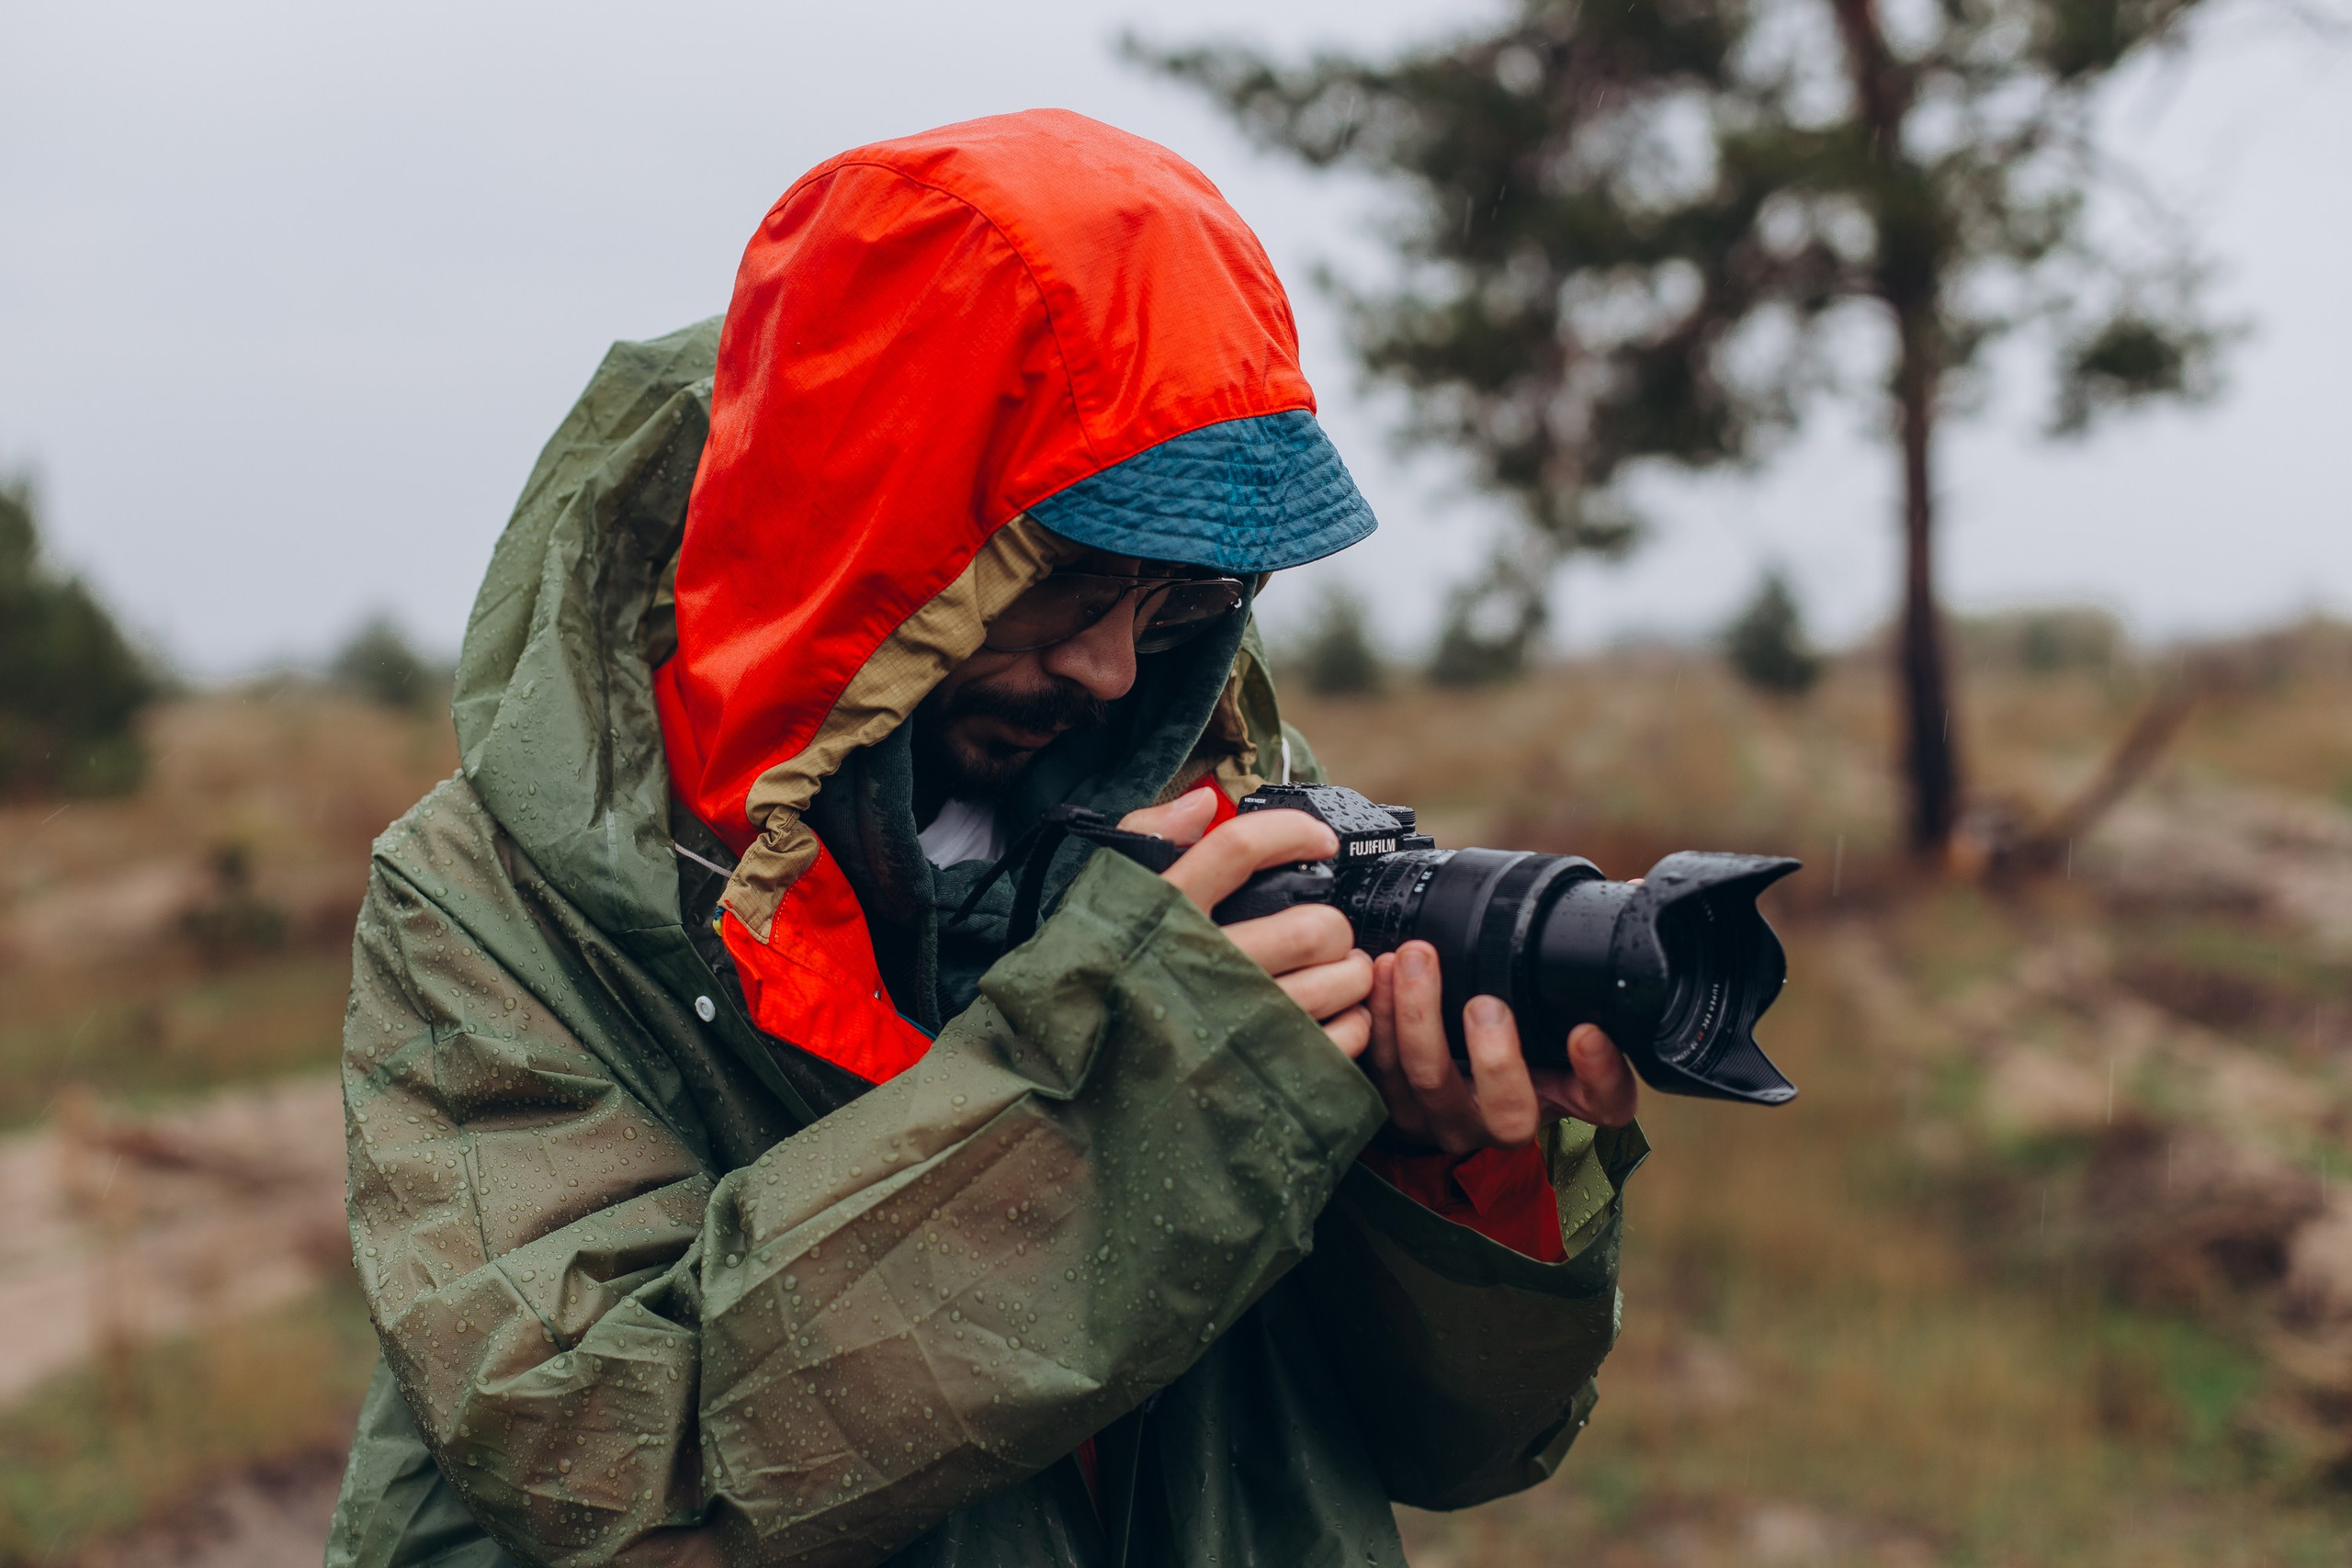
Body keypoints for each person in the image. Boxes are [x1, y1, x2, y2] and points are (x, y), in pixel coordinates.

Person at [326, 109, 1645, 1568]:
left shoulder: (1220, 830)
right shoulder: (489, 904)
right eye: (1067, 583)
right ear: (871, 535)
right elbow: (615, 1469)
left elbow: (1459, 1447)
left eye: (1174, 603)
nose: (1110, 671)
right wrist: (1132, 1092)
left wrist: (1451, 1172)